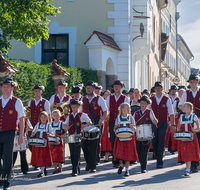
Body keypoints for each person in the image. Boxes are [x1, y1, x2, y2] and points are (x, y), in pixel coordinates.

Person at [0, 78, 25, 190]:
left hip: (10, 133)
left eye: (8, 87)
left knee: (7, 159)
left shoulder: (17, 101)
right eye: (4, 86)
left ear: (12, 88)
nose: (5, 88)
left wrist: (21, 135)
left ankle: (6, 182)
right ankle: (2, 178)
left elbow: (22, 118)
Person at [80, 81, 108, 171]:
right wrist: (81, 124)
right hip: (86, 125)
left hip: (96, 124)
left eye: (90, 88)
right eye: (87, 88)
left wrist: (101, 120)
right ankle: (89, 162)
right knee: (84, 144)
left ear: (93, 89)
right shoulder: (82, 99)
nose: (88, 89)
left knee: (94, 145)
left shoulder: (99, 99)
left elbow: (105, 111)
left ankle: (92, 166)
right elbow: (79, 113)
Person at [63, 99, 92, 176]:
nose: (74, 108)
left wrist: (84, 125)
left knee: (76, 153)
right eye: (72, 107)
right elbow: (64, 125)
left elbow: (90, 122)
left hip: (79, 136)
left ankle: (74, 170)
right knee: (72, 153)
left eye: (75, 107)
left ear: (78, 107)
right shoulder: (69, 116)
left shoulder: (82, 115)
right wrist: (67, 127)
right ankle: (76, 167)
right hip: (71, 136)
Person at [150, 82, 175, 168]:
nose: (158, 89)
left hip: (163, 123)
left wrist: (173, 124)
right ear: (154, 89)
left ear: (162, 88)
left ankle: (159, 162)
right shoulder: (151, 99)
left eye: (159, 88)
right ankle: (157, 156)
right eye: (156, 88)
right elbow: (148, 111)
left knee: (161, 141)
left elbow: (171, 113)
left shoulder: (167, 99)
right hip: (153, 124)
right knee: (154, 142)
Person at [178, 74, 200, 172]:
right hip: (190, 120)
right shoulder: (186, 93)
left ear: (197, 82)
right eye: (191, 82)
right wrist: (186, 110)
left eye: (194, 81)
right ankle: (194, 164)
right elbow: (179, 105)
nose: (192, 83)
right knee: (192, 142)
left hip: (199, 118)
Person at [106, 80, 129, 167]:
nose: (116, 88)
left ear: (121, 87)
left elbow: (127, 111)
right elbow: (107, 109)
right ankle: (115, 159)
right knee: (113, 140)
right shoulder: (109, 98)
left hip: (121, 122)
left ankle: (122, 159)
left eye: (118, 86)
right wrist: (107, 117)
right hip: (112, 122)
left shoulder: (125, 98)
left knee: (122, 140)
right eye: (115, 86)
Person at [28, 84, 51, 170]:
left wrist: (49, 126)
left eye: (38, 91)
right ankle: (36, 161)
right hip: (32, 125)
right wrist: (28, 125)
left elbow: (48, 114)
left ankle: (39, 163)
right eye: (35, 91)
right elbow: (28, 114)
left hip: (42, 125)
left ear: (41, 92)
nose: (37, 92)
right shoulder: (31, 102)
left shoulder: (45, 102)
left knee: (41, 144)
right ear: (34, 92)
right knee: (31, 143)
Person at [133, 95, 158, 173]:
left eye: (144, 103)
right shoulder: (136, 113)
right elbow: (132, 122)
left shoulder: (150, 112)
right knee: (139, 151)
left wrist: (155, 121)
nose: (142, 104)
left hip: (147, 134)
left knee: (145, 151)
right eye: (141, 103)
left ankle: (143, 167)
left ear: (147, 104)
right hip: (138, 134)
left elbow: (155, 121)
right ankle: (141, 164)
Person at [113, 103, 137, 177]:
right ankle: (121, 165)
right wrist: (117, 131)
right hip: (120, 138)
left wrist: (132, 127)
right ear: (123, 109)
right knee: (120, 154)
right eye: (128, 108)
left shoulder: (131, 118)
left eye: (129, 108)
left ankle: (127, 170)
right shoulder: (118, 118)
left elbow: (135, 129)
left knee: (127, 155)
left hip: (129, 138)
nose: (129, 110)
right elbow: (114, 128)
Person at [177, 102, 200, 176]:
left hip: (191, 138)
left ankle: (187, 169)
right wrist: (178, 133)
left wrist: (195, 129)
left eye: (184, 106)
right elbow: (178, 127)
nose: (182, 107)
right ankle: (187, 168)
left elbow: (198, 127)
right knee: (185, 153)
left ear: (188, 108)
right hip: (183, 138)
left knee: (189, 154)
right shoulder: (181, 117)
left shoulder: (194, 116)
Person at [30, 111, 54, 177]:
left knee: (43, 156)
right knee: (39, 157)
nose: (43, 119)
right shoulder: (37, 125)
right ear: (39, 118)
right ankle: (43, 169)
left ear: (47, 118)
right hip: (38, 143)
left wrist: (49, 135)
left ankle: (41, 171)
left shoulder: (48, 126)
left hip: (44, 144)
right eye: (42, 117)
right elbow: (33, 132)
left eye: (44, 117)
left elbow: (52, 135)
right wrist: (32, 134)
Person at [49, 110, 66, 174]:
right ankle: (55, 168)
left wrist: (63, 135)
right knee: (53, 154)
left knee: (59, 153)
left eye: (57, 115)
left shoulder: (62, 123)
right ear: (52, 116)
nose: (56, 117)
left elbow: (66, 131)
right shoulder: (50, 123)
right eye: (54, 116)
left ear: (60, 116)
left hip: (59, 140)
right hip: (52, 140)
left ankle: (60, 167)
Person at [101, 90, 112, 162]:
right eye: (105, 94)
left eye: (108, 95)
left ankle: (107, 156)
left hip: (108, 122)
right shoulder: (101, 102)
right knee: (102, 139)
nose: (106, 96)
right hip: (102, 122)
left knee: (108, 139)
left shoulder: (110, 103)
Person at [168, 85, 179, 154]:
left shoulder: (178, 99)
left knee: (174, 132)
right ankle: (171, 148)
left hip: (175, 117)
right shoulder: (168, 99)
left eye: (174, 90)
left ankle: (175, 148)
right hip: (169, 117)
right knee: (170, 134)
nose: (173, 91)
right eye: (172, 90)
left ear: (176, 91)